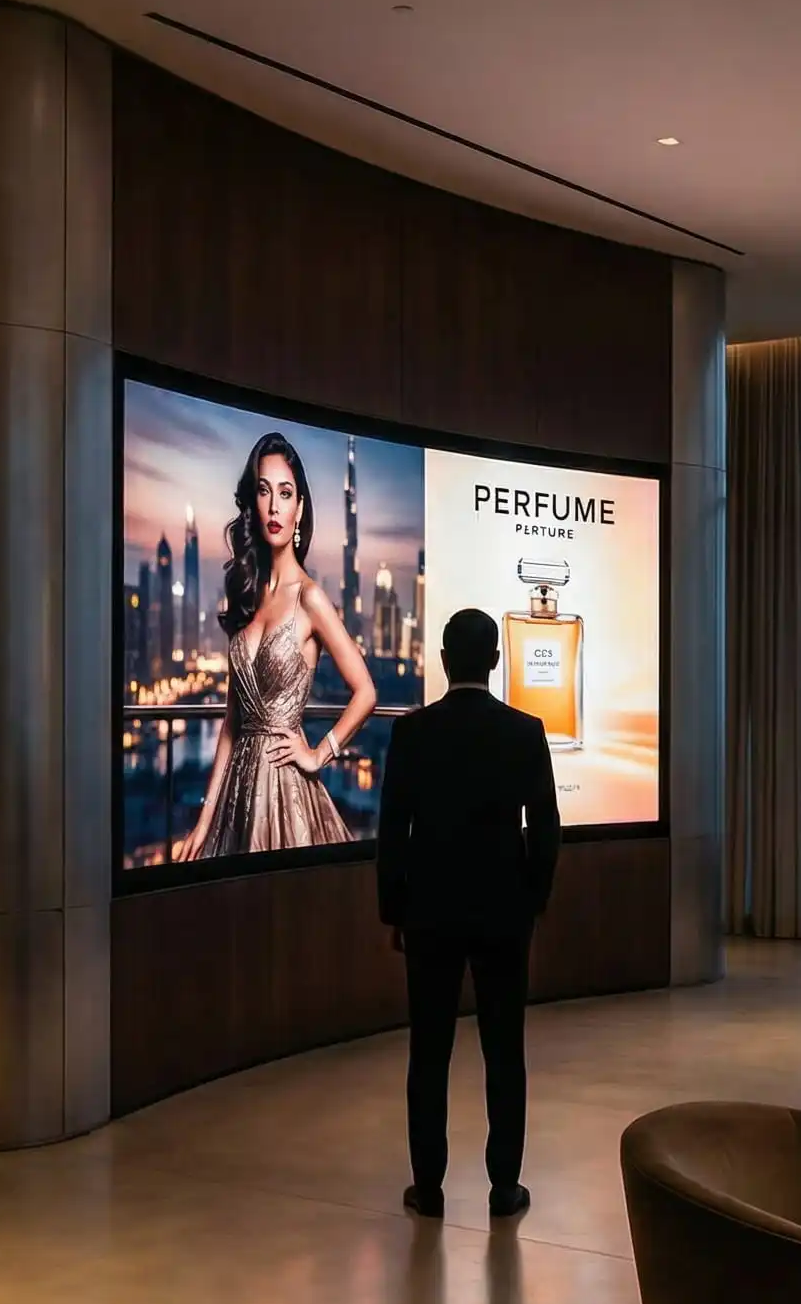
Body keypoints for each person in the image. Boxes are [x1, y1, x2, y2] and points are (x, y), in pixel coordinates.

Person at [378, 607, 560, 1219]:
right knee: (505, 1052)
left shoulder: (411, 734)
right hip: (504, 915)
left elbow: (392, 833)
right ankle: (503, 1188)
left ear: (443, 659)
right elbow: (546, 828)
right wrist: (532, 899)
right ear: (495, 659)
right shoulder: (525, 731)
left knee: (428, 1054)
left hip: (429, 915)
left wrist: (394, 911)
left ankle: (427, 1188)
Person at [174, 432, 375, 861]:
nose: (274, 506)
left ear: (299, 508)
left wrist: (320, 753)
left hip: (286, 791)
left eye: (285, 493)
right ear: (253, 503)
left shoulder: (310, 598)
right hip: (235, 796)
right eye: (264, 491)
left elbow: (366, 692)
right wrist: (204, 821)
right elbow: (231, 723)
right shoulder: (245, 595)